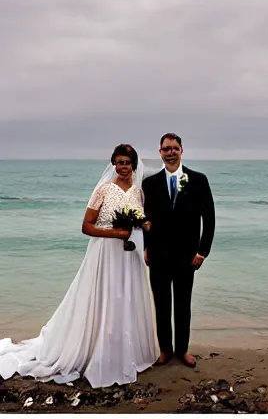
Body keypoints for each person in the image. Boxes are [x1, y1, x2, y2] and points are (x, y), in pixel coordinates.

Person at [0, 144, 158, 388]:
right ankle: (99, 352)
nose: (123, 167)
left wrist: (144, 225)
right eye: (119, 162)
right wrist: (116, 233)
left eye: (127, 162)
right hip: (105, 253)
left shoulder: (138, 192)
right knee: (105, 298)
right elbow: (86, 226)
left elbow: (140, 220)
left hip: (130, 255)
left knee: (126, 300)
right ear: (113, 164)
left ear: (134, 165)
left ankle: (128, 352)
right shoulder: (103, 190)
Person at [142, 133, 215, 368]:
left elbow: (209, 218)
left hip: (187, 256)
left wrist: (202, 251)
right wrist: (145, 246)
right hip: (158, 256)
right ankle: (165, 350)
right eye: (166, 149)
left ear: (182, 150)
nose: (170, 152)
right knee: (162, 305)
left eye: (174, 148)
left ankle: (182, 350)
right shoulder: (149, 183)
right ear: (160, 152)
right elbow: (146, 219)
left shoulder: (198, 180)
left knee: (183, 305)